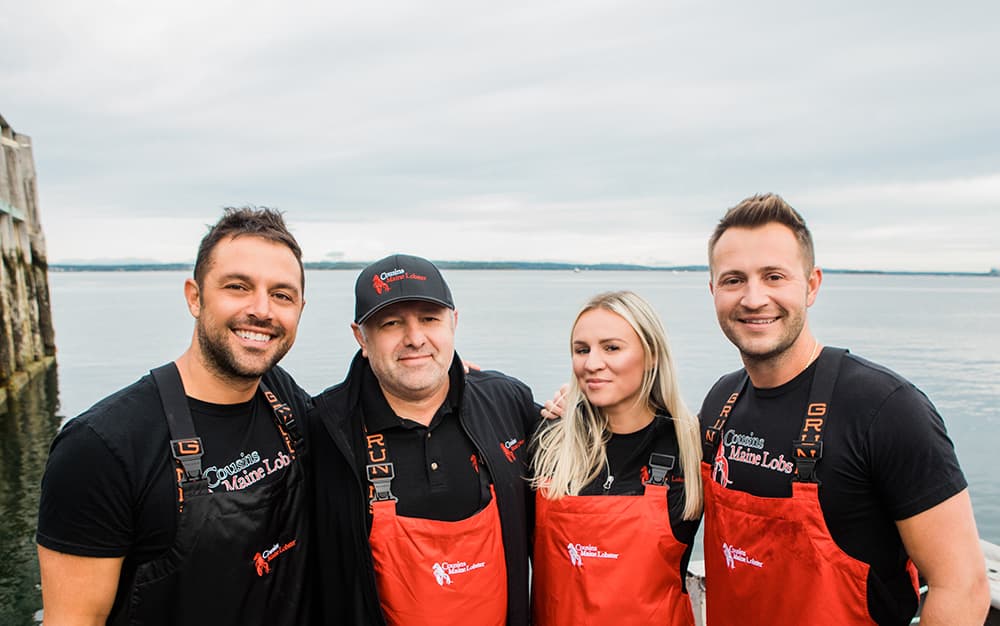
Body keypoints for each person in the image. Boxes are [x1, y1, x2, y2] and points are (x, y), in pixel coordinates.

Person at [700, 193, 990, 625]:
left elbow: (962, 585)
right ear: (713, 291)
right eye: (734, 280)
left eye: (774, 276)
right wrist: (578, 408)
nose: (754, 297)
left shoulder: (886, 409)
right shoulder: (720, 403)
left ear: (812, 285)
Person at [36, 207, 313, 625]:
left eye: (282, 295)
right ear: (195, 297)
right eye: (238, 287)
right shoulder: (101, 448)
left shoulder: (283, 397)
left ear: (300, 310)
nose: (262, 310)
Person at [308, 253, 540, 626]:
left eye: (430, 319)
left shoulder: (506, 403)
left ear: (454, 323)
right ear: (361, 338)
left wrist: (579, 403)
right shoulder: (323, 430)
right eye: (391, 323)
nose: (415, 339)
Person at [530, 291, 703, 625]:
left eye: (611, 347)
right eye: (581, 350)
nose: (592, 363)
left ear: (651, 354)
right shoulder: (548, 442)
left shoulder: (691, 446)